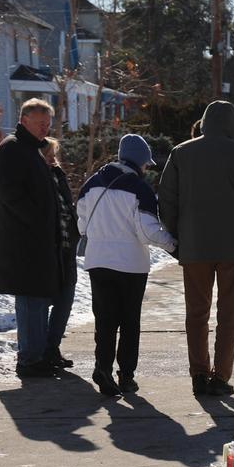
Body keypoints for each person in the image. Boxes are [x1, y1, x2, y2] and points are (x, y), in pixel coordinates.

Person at [159, 101, 234, 396]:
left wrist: (174, 236)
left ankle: (198, 373)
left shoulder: (181, 153)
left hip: (194, 245)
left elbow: (167, 200)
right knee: (230, 314)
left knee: (196, 312)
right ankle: (221, 377)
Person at [77, 134, 177, 396]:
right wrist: (174, 246)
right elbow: (147, 232)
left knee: (105, 320)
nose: (147, 169)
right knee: (129, 322)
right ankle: (126, 376)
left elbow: (82, 224)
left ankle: (103, 367)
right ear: (140, 162)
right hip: (130, 265)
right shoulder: (139, 189)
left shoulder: (91, 184)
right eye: (146, 164)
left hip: (97, 262)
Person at [0, 98, 68, 378]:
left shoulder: (32, 149)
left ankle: (37, 355)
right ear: (24, 121)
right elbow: (11, 194)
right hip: (24, 242)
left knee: (37, 300)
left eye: (48, 123)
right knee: (30, 301)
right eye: (40, 123)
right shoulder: (13, 148)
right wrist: (37, 222)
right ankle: (29, 358)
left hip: (38, 240)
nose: (46, 127)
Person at [40, 137, 79, 368]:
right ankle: (41, 349)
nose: (53, 159)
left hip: (66, 249)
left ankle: (52, 347)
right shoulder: (39, 179)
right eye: (48, 155)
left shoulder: (58, 176)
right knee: (43, 304)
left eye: (54, 155)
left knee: (65, 301)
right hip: (48, 251)